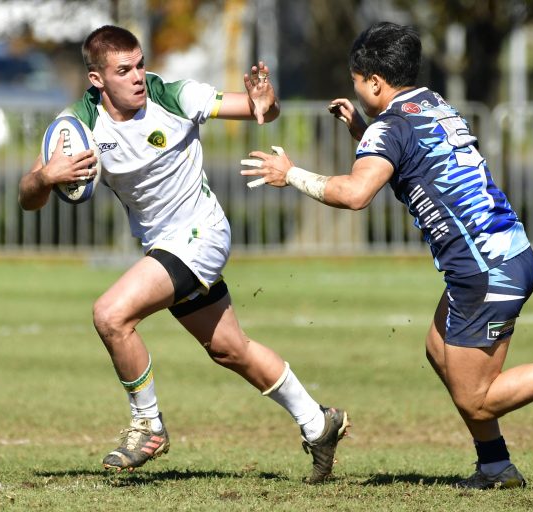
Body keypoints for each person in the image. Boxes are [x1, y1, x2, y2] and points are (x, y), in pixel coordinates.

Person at [241, 21, 533, 490]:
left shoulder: (389, 130)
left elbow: (355, 194)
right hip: (501, 254)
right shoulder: (430, 104)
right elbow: (411, 161)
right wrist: (361, 126)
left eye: (357, 80)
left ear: (375, 82)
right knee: (439, 350)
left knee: (477, 398)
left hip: (485, 271)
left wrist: (290, 173)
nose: (354, 87)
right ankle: (495, 466)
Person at [18, 25, 348, 484]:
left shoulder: (174, 96)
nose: (137, 76)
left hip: (201, 233)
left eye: (140, 64)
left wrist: (264, 100)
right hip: (165, 246)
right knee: (230, 349)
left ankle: (148, 425)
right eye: (123, 70)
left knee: (111, 314)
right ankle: (319, 422)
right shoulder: (78, 125)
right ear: (97, 79)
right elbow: (28, 196)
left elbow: (257, 111)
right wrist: (45, 177)